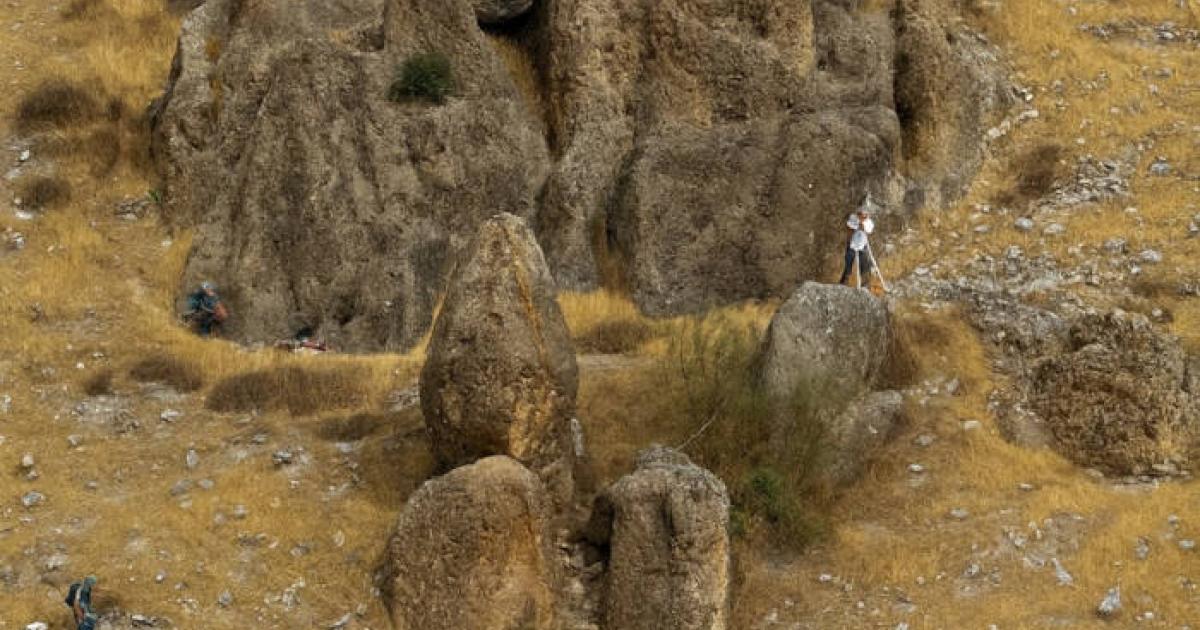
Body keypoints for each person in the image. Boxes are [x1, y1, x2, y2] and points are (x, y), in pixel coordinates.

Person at [838, 199, 876, 287]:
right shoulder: (853, 217)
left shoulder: (869, 222)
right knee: (849, 259)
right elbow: (849, 224)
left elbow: (869, 230)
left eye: (865, 215)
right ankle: (845, 279)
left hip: (862, 245)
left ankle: (864, 282)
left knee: (864, 262)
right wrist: (857, 225)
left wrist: (863, 226)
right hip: (852, 244)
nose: (863, 216)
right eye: (861, 214)